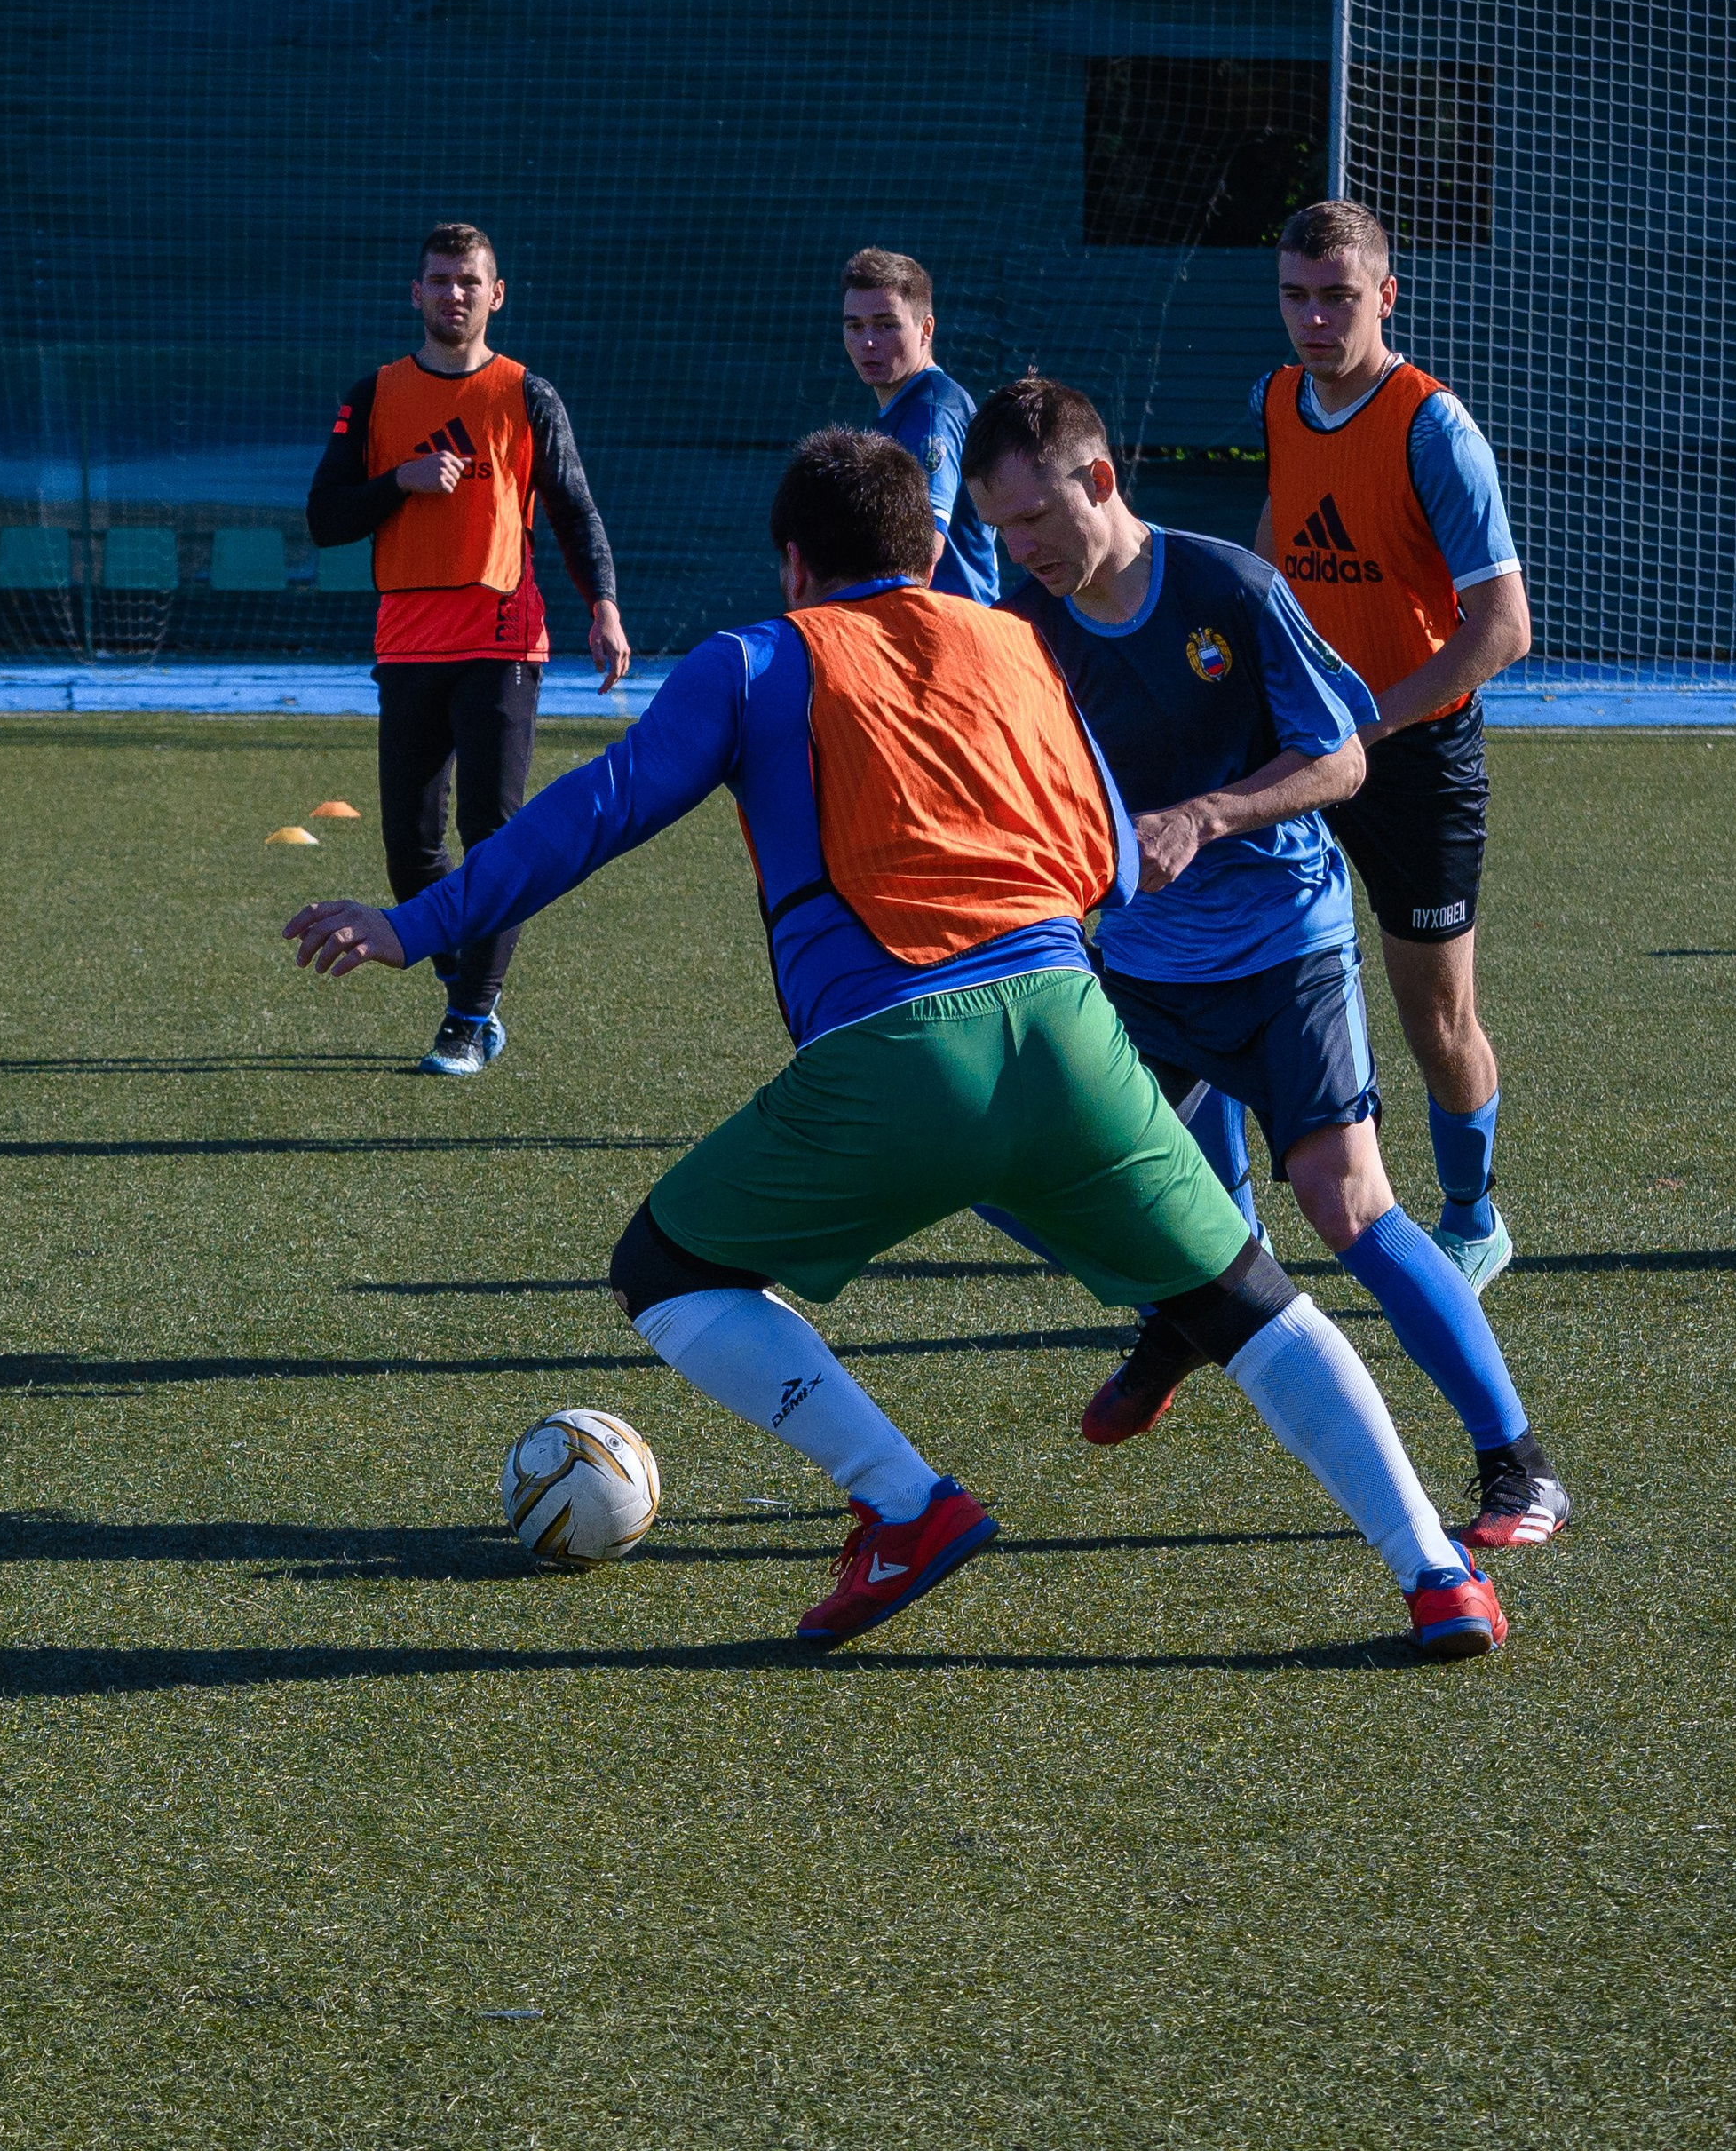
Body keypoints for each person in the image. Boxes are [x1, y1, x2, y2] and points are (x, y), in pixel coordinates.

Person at [283, 427, 1508, 1657]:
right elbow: (1112, 859)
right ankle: (1437, 1572)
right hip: (1076, 1036)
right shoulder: (1020, 641)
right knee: (1253, 1303)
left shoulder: (759, 658)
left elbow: (596, 812)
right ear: (929, 550)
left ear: (791, 565)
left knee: (663, 1268)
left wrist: (415, 924)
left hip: (895, 1053)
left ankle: (907, 1504)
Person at [962, 377, 1568, 1551]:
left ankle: (1519, 1463)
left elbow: (1340, 761)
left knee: (1349, 1206)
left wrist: (1208, 817)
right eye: (999, 526)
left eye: (1035, 518)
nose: (1019, 547)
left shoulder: (1227, 589)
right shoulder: (1024, 622)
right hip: (1139, 965)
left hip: (1285, 947)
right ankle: (1187, 1311)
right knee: (1012, 1158)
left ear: (1100, 481)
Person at [1254, 201, 1529, 1295]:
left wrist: (1366, 725)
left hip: (1414, 760)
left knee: (1436, 1016)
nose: (1313, 319)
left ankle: (1470, 1216)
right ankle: (1233, 1228)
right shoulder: (1277, 397)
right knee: (1244, 971)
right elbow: (1280, 537)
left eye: (1335, 296)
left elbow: (1502, 627)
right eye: (1294, 296)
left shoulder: (1431, 427)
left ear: (1384, 296)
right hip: (1309, 740)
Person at [306, 224, 630, 1076]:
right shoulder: (374, 395)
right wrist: (397, 484)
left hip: (502, 640)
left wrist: (604, 606)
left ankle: (469, 1015)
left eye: (470, 280)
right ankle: (465, 964)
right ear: (415, 294)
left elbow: (572, 509)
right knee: (410, 845)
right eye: (440, 280)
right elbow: (324, 517)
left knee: (493, 831)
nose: (455, 293)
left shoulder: (527, 395)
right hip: (408, 643)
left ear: (497, 295)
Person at [839, 248, 1004, 604]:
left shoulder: (932, 411)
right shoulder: (905, 409)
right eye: (854, 326)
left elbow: (924, 546)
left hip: (949, 631)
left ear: (925, 329)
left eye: (886, 325)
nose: (867, 341)